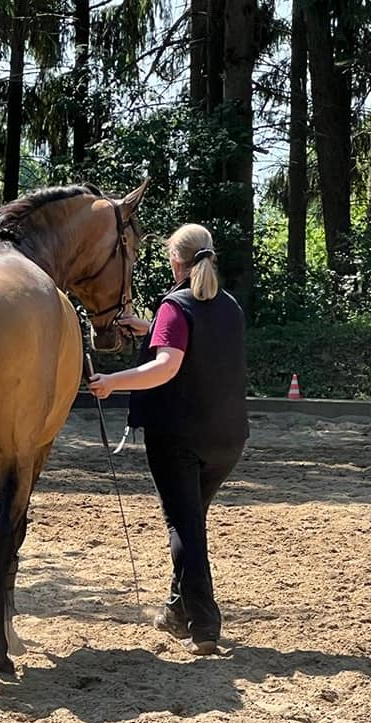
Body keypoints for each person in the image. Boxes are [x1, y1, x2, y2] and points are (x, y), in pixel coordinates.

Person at [88, 224, 249, 655]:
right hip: (228, 438)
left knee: (185, 528)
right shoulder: (230, 306)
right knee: (193, 521)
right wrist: (152, 326)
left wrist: (112, 382)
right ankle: (178, 610)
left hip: (180, 436)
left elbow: (166, 367)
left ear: (176, 261)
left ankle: (205, 624)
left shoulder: (175, 307)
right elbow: (198, 347)